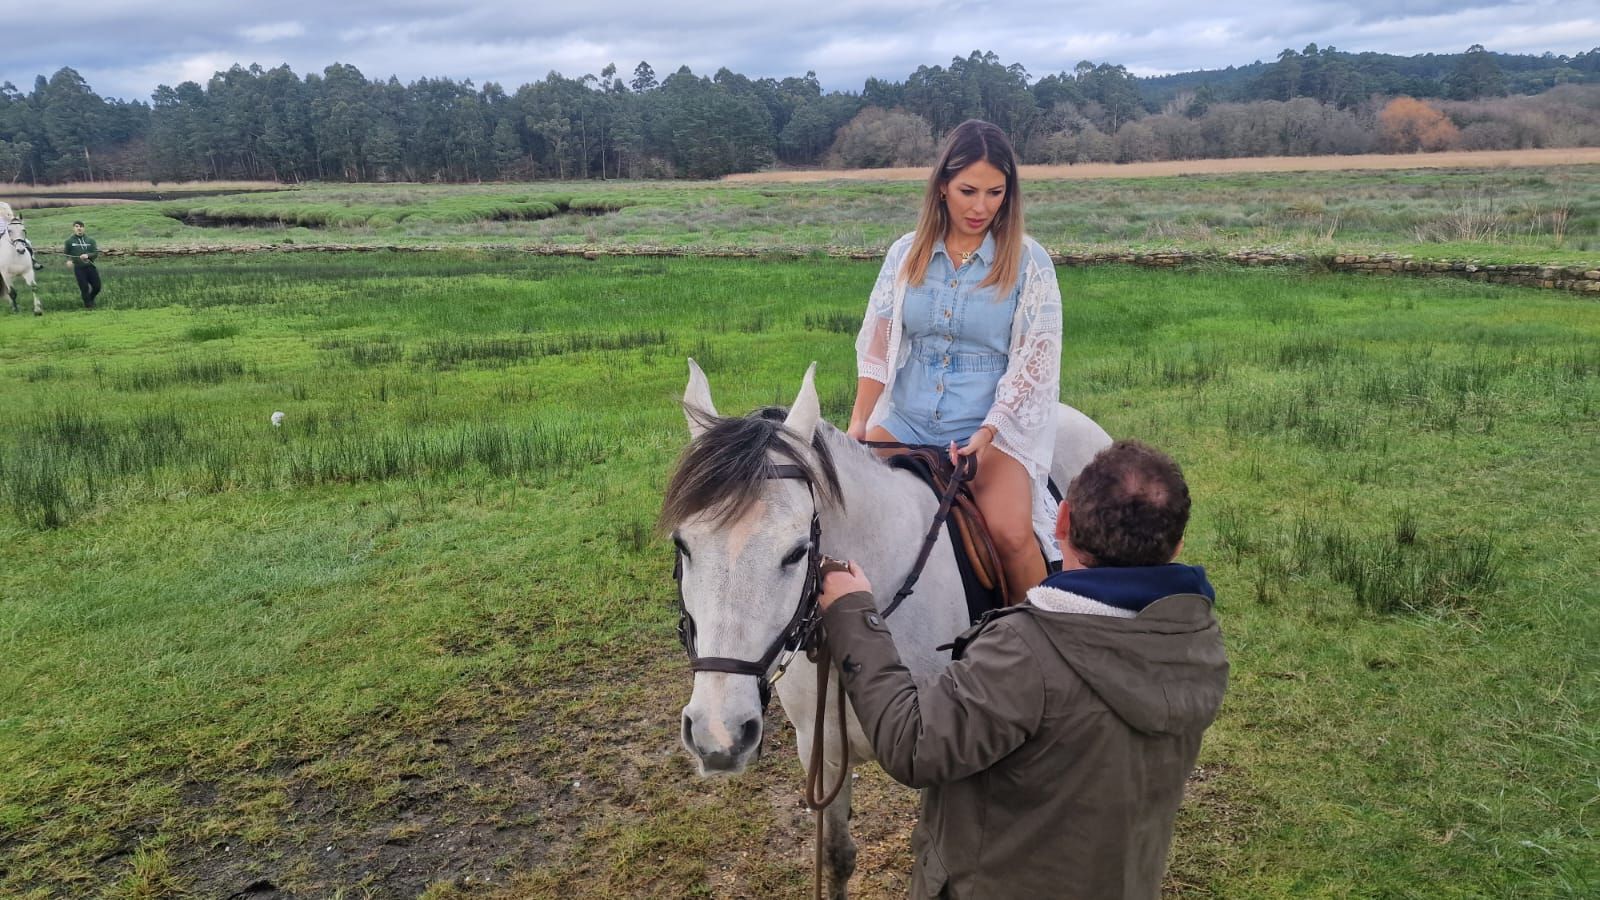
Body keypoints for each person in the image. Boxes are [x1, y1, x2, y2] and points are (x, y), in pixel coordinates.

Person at [817, 440, 1229, 899]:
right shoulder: (1198, 640)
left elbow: (914, 745)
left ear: (1063, 520)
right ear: (1178, 545)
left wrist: (854, 613)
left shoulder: (1026, 652)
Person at [847, 119, 1061, 600]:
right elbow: (878, 344)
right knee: (842, 515)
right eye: (968, 190)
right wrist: (859, 422)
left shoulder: (1029, 262)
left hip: (989, 428)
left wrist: (987, 434)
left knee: (1010, 535)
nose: (980, 207)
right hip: (908, 419)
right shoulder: (906, 253)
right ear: (942, 185)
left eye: (995, 192)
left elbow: (1034, 362)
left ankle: (1044, 640)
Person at [65, 220, 101, 309]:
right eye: (77, 226)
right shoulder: (69, 241)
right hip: (79, 268)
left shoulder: (91, 240)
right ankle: (88, 306)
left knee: (97, 287)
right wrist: (69, 260)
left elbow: (95, 253)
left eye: (81, 226)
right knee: (84, 288)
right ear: (73, 228)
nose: (79, 228)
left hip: (90, 267)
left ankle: (90, 299)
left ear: (84, 228)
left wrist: (87, 255)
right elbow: (67, 254)